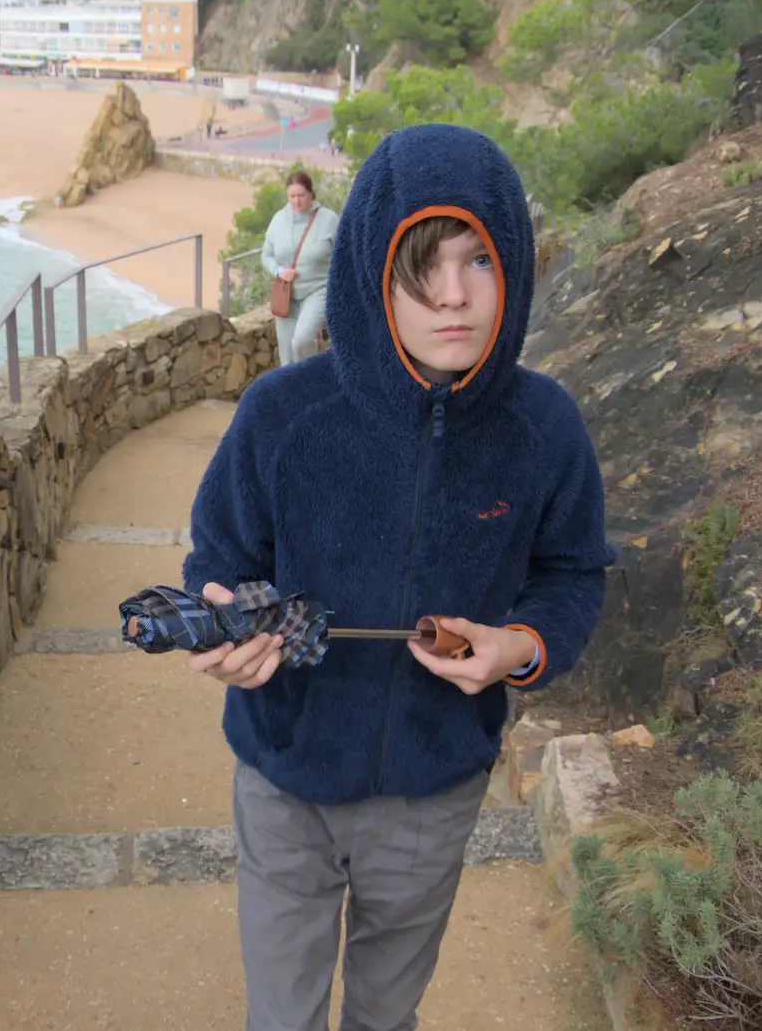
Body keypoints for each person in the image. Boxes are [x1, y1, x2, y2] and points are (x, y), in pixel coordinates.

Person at [181, 123, 615, 1031]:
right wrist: (225, 620)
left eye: (479, 261)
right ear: (372, 270)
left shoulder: (547, 427)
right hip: (284, 778)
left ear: (517, 266)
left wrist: (519, 646)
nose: (453, 296)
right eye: (421, 266)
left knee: (386, 1017)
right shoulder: (280, 413)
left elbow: (573, 573)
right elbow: (219, 556)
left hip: (434, 788)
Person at [261, 170, 338, 366]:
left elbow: (344, 256)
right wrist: (279, 271)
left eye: (301, 195)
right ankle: (295, 393)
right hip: (286, 294)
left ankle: (311, 383)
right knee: (287, 355)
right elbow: (266, 256)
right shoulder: (279, 219)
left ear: (311, 193)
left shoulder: (329, 220)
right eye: (292, 196)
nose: (296, 201)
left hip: (317, 289)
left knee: (302, 341)